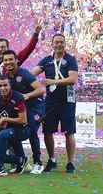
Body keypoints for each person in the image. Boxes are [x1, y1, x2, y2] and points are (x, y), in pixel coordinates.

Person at [30, 34, 78, 174]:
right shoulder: (47, 60)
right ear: (52, 44)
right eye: (56, 42)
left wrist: (53, 82)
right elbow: (31, 74)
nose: (59, 45)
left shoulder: (70, 59)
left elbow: (72, 79)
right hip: (50, 102)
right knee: (47, 131)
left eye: (61, 42)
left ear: (65, 44)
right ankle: (52, 160)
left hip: (67, 101)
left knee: (69, 131)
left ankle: (70, 162)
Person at [3, 49, 46, 174]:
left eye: (11, 59)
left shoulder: (24, 74)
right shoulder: (6, 77)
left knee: (31, 128)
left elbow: (41, 90)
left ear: (16, 60)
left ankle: (38, 162)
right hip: (22, 108)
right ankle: (22, 161)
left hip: (36, 106)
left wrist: (27, 95)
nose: (8, 62)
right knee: (13, 129)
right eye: (6, 60)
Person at [0, 75, 30, 177]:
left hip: (23, 129)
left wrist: (5, 119)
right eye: (0, 86)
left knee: (3, 134)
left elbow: (23, 120)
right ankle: (20, 160)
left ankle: (0, 168)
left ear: (10, 85)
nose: (3, 88)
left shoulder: (18, 97)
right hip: (8, 131)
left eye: (5, 85)